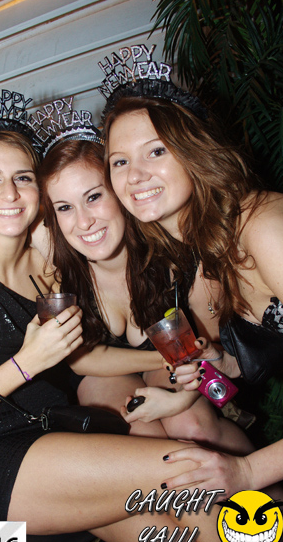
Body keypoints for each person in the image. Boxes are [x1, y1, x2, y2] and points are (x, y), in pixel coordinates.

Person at [0, 118, 257, 542]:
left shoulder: (45, 264)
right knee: (193, 474)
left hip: (54, 434)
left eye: (22, 178)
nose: (9, 192)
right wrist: (26, 360)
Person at [101, 66, 283, 496]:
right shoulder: (191, 251)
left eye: (156, 151)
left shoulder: (263, 228)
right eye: (120, 161)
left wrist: (249, 472)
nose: (135, 176)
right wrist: (225, 364)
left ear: (194, 150)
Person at [38, 135, 253, 454]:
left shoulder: (172, 253)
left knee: (192, 428)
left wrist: (181, 395)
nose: (84, 221)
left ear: (120, 190)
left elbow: (211, 347)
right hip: (101, 374)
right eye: (65, 207)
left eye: (94, 196)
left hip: (182, 363)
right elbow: (82, 361)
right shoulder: (52, 267)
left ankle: (264, 485)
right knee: (144, 442)